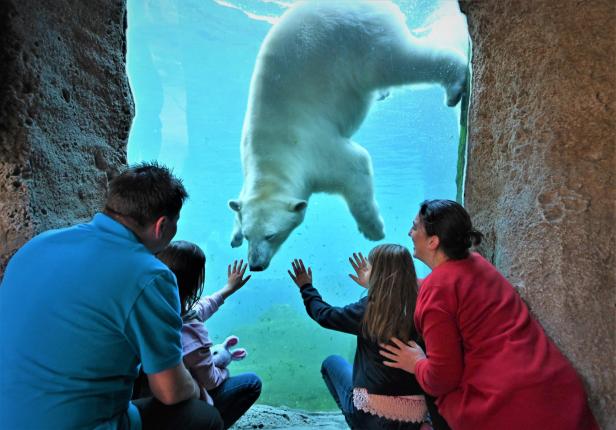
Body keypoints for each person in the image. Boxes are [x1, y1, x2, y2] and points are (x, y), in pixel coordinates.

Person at [0, 162, 223, 430]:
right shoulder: (150, 275)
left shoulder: (39, 244)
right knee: (204, 417)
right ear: (161, 225)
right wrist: (197, 388)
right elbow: (170, 391)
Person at [379, 199, 599, 430]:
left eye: (415, 227)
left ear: (433, 241)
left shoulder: (437, 292)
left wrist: (416, 363)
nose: (409, 232)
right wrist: (393, 283)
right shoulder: (476, 263)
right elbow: (450, 287)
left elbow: (442, 379)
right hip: (557, 391)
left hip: (511, 407)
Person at [288, 245, 433, 430]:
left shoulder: (369, 309)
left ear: (378, 274)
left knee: (331, 363)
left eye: (370, 267)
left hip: (372, 417)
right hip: (415, 419)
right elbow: (395, 293)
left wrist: (306, 287)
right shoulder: (423, 305)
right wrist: (374, 286)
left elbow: (324, 315)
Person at [154, 241, 262, 429]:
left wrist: (228, 289)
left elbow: (198, 309)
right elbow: (210, 381)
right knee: (252, 382)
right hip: (182, 404)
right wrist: (223, 368)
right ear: (196, 284)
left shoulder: (153, 310)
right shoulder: (191, 333)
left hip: (152, 398)